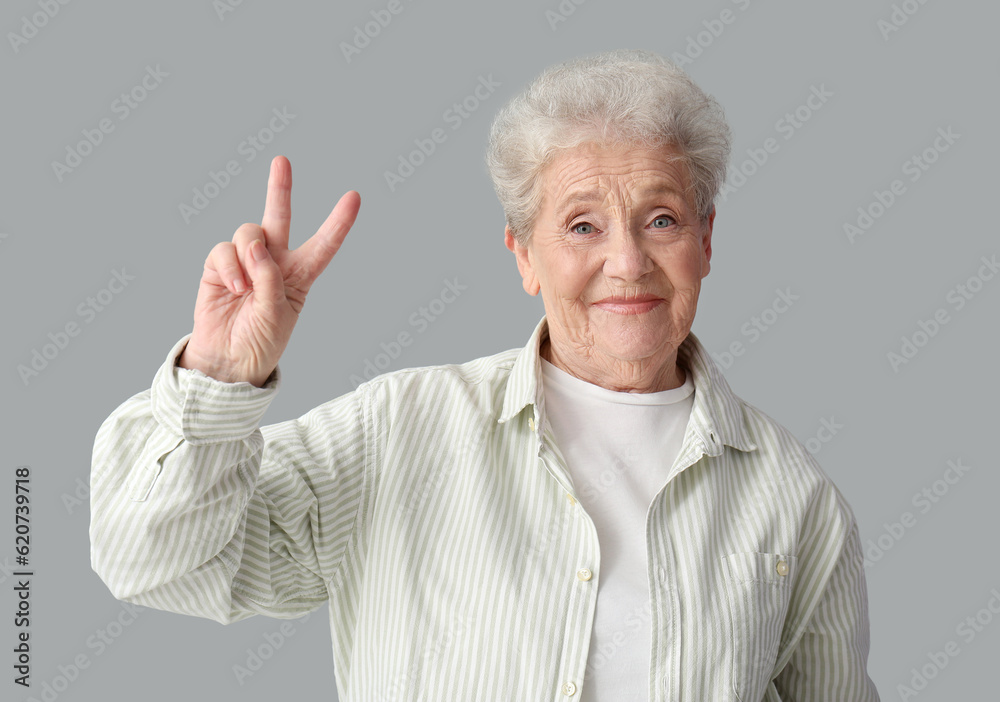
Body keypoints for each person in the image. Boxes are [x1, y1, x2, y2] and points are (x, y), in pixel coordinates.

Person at [90, 49, 880, 701]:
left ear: (706, 241)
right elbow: (149, 561)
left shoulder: (793, 497)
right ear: (523, 256)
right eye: (582, 225)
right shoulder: (397, 430)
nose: (628, 262)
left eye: (662, 219)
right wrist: (219, 381)